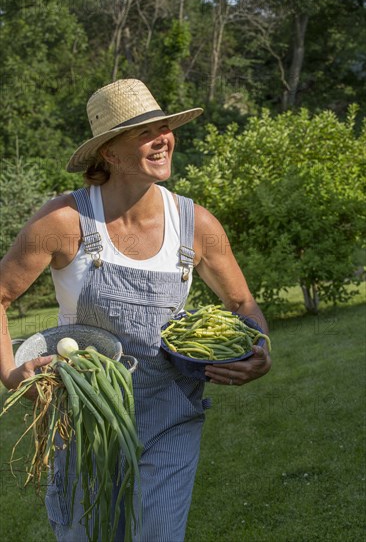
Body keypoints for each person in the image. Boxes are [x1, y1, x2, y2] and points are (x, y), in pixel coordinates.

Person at [0, 79, 271, 541]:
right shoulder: (65, 222)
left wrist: (260, 345)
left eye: (165, 127)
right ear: (109, 151)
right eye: (146, 132)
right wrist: (10, 374)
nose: (163, 138)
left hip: (170, 415)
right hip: (86, 413)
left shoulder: (195, 224)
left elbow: (241, 302)